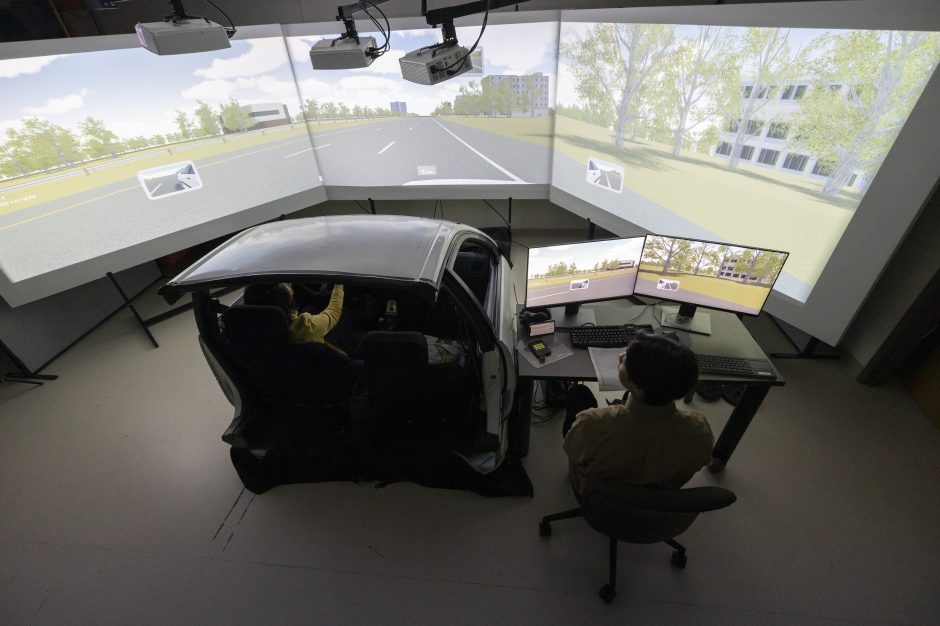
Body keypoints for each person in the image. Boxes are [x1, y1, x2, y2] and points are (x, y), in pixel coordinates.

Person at [562, 333, 714, 499]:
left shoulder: (591, 424)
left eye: (626, 360)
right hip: (660, 500)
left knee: (579, 393)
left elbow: (572, 452)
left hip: (598, 497)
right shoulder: (700, 432)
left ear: (637, 387)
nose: (620, 357)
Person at [243, 282, 349, 355]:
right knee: (346, 315)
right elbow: (333, 312)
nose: (289, 284)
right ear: (285, 303)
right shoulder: (305, 327)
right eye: (286, 285)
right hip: (325, 357)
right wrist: (338, 285)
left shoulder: (250, 330)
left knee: (310, 308)